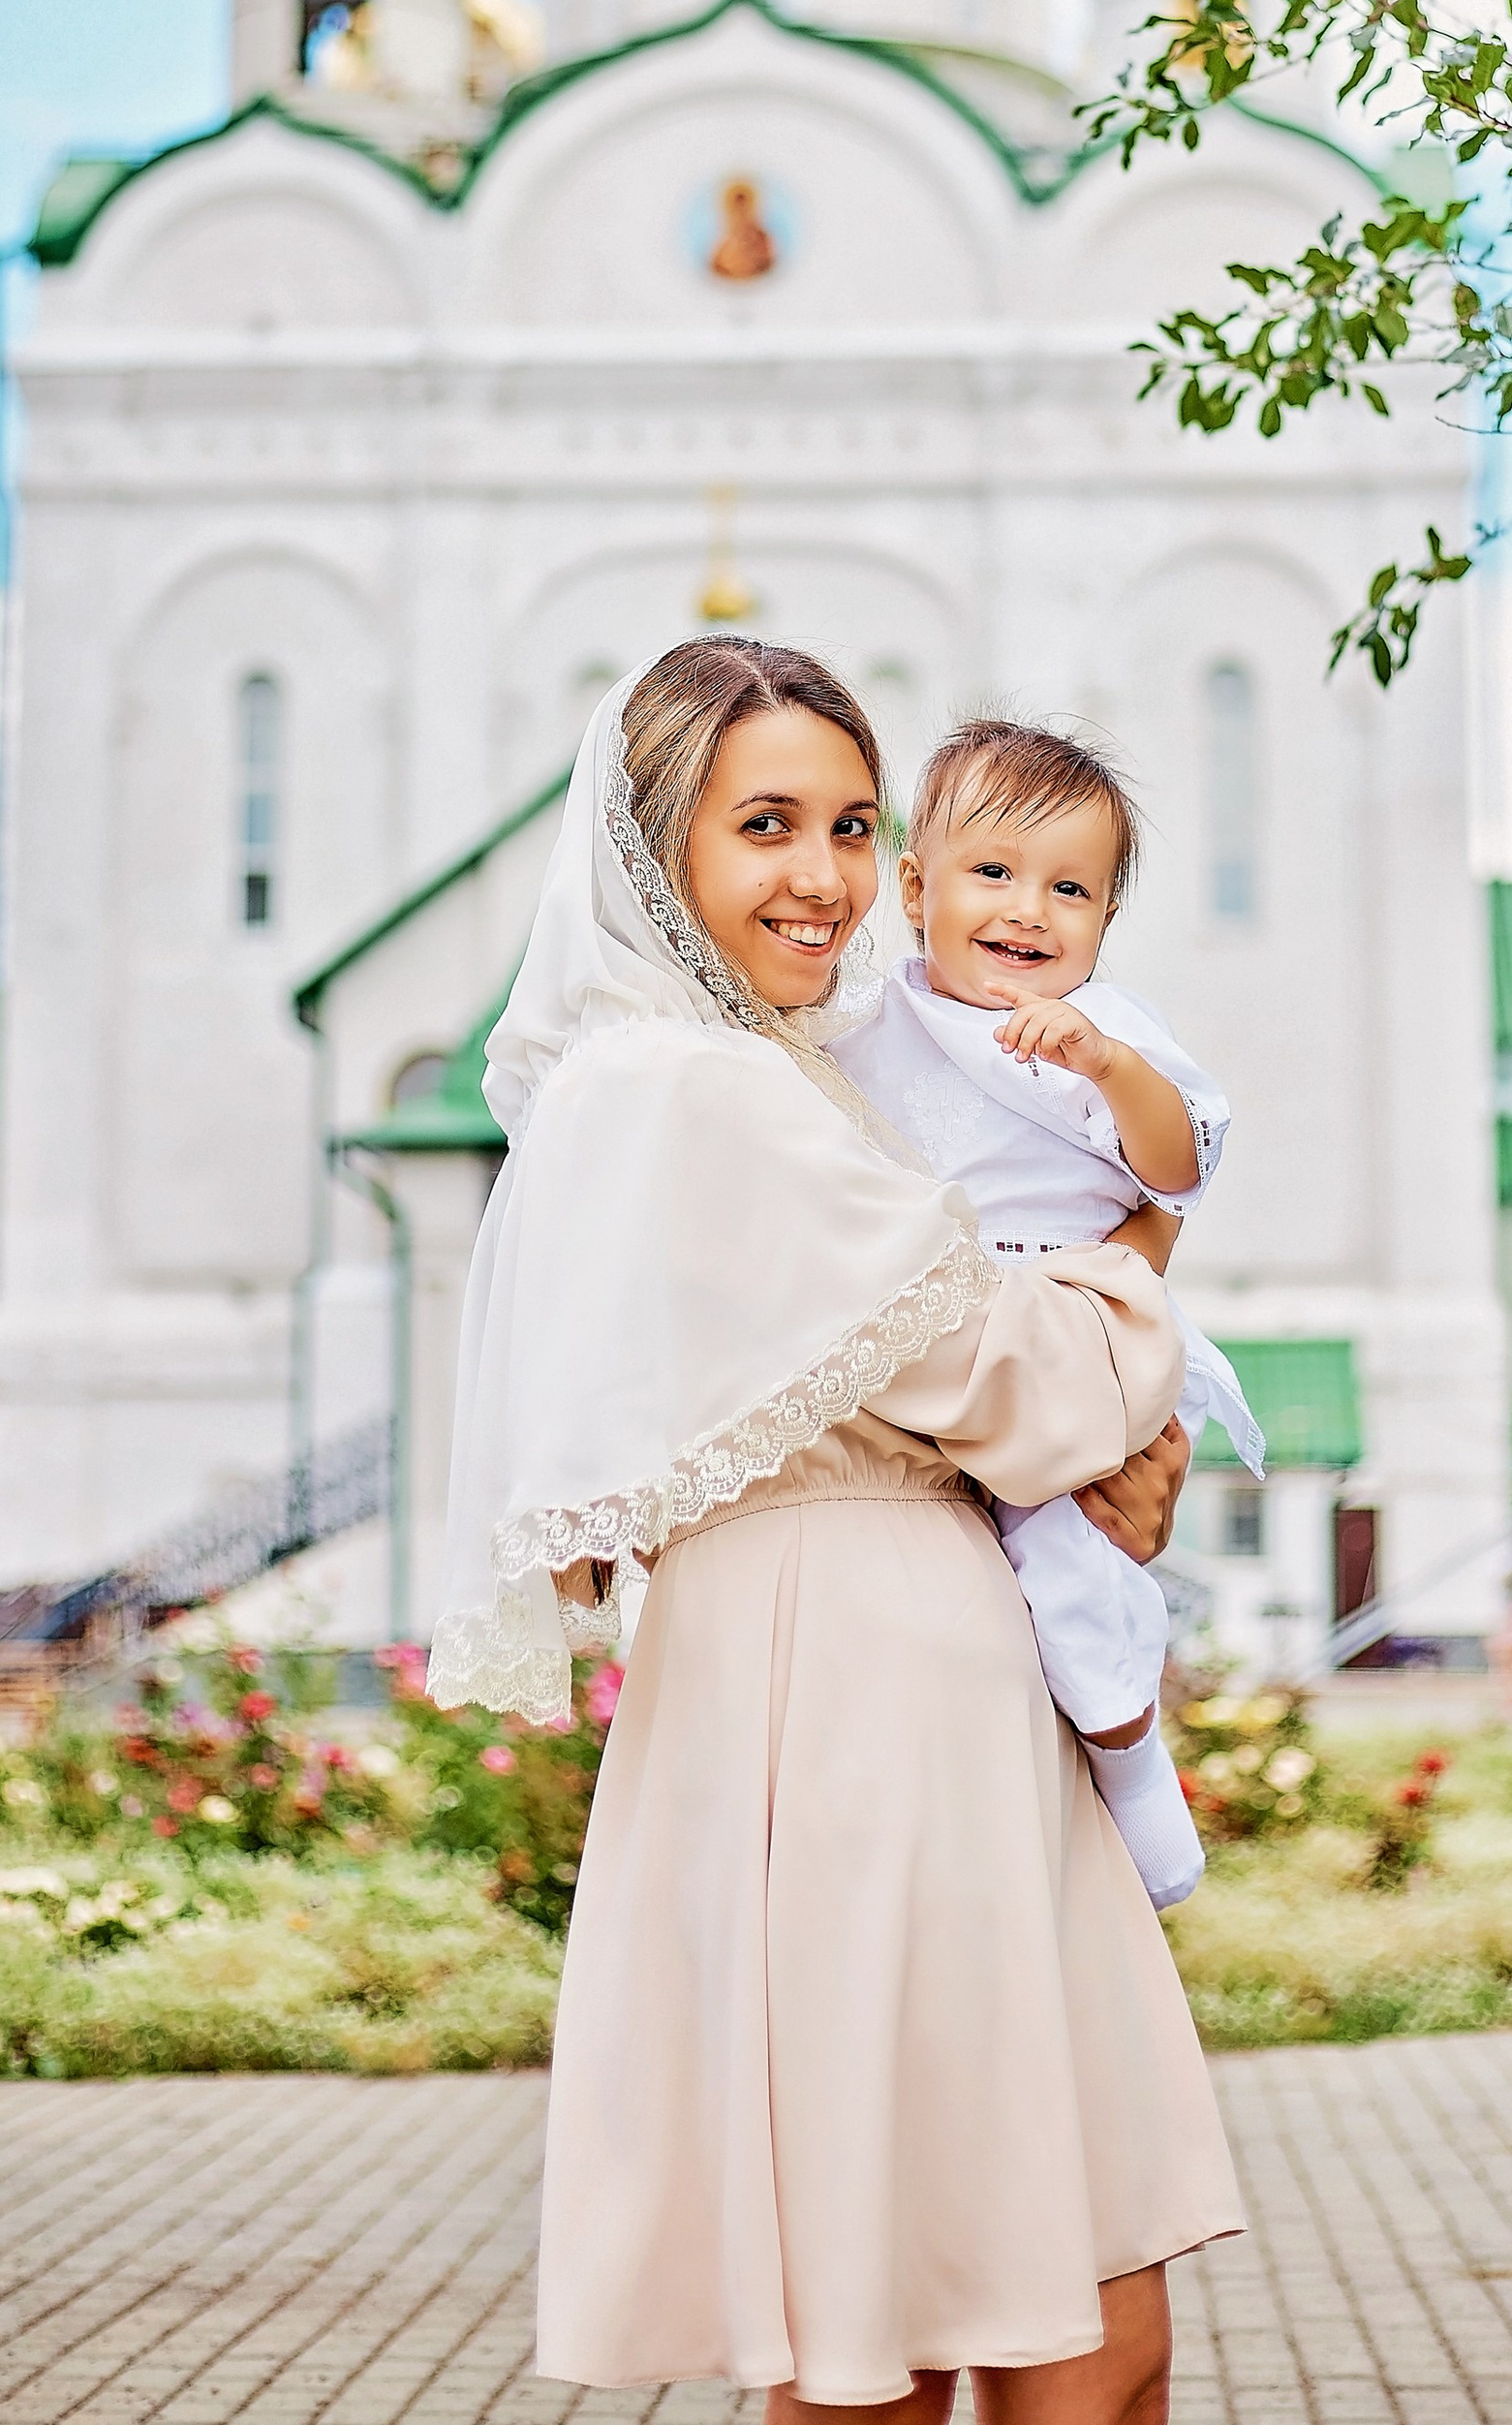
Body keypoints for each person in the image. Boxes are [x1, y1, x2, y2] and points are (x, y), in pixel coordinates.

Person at [431, 637, 1242, 2420]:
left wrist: (1100, 1423)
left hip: (896, 1675)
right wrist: (1139, 1291)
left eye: (855, 824)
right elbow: (1024, 1376)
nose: (826, 876)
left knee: (1000, 2311)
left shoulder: (767, 1075)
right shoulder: (698, 1090)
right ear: (657, 845)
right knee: (925, 2337)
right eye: (766, 825)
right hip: (858, 1698)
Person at [830, 717, 1261, 1913]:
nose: (1029, 912)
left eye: (1069, 889)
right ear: (915, 889)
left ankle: (1132, 1759)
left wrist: (1107, 1067)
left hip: (1073, 1323)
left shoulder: (1107, 1032)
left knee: (1069, 1555)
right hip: (940, 1337)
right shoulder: (866, 1024)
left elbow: (1178, 1171)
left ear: (1105, 922)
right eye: (993, 872)